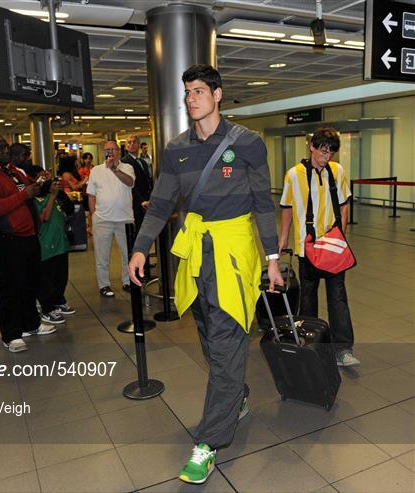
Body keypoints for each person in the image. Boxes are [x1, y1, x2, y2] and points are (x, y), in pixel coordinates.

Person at [128, 64, 283, 484]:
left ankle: (209, 442)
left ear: (217, 94)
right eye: (187, 92)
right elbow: (160, 205)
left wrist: (272, 258)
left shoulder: (247, 143)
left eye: (198, 91)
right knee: (208, 335)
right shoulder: (177, 148)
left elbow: (262, 204)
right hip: (196, 257)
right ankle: (238, 396)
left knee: (226, 337)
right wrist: (140, 248)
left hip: (233, 257)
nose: (191, 98)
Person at [279, 127, 359, 367]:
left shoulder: (338, 171)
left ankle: (343, 349)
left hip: (333, 247)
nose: (328, 156)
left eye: (332, 151)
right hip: (307, 248)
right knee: (308, 298)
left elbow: (344, 204)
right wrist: (283, 238)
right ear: (312, 147)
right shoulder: (294, 174)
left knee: (338, 299)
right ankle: (310, 344)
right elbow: (287, 208)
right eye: (323, 150)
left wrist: (341, 234)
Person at [0, 134, 57, 353]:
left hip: (28, 236)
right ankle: (11, 334)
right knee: (10, 287)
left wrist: (41, 183)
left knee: (30, 283)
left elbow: (30, 192)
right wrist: (24, 195)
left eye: (6, 147)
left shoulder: (14, 171)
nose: (5, 151)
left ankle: (31, 324)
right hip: (7, 239)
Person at [88, 140, 135, 297]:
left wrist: (115, 170)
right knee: (102, 255)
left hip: (125, 219)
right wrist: (93, 216)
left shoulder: (127, 167)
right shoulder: (96, 170)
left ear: (119, 152)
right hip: (102, 219)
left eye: (113, 149)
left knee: (127, 253)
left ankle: (127, 281)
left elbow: (130, 183)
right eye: (107, 150)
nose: (110, 152)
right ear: (103, 152)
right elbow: (91, 195)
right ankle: (104, 285)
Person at [31, 172, 76, 321]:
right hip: (46, 245)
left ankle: (58, 301)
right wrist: (52, 195)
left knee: (61, 276)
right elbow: (45, 217)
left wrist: (59, 192)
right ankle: (47, 308)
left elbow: (69, 209)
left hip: (61, 243)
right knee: (47, 279)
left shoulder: (57, 197)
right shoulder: (36, 200)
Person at [122, 135, 153, 279]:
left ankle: (146, 269)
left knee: (146, 235)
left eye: (134, 142)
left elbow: (148, 181)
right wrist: (141, 201)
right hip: (136, 205)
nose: (132, 144)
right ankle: (140, 271)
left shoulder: (142, 161)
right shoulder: (125, 162)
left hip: (147, 202)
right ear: (126, 145)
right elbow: (131, 186)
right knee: (138, 238)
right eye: (129, 142)